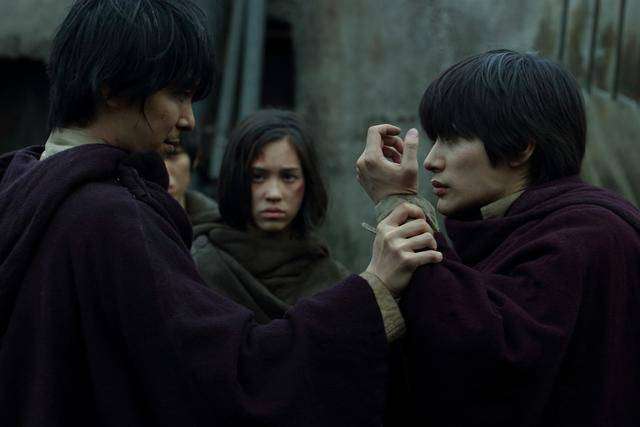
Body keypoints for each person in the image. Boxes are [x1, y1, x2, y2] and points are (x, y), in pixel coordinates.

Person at [0, 1, 443, 426]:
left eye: (288, 176)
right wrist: (372, 291)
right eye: (176, 94)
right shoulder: (108, 218)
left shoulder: (23, 189)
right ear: (112, 88)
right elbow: (230, 377)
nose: (189, 120)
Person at [356, 50, 640, 426]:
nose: (431, 160)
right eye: (435, 139)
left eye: (452, 139)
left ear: (521, 147)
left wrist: (398, 203)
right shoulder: (516, 228)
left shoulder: (587, 236)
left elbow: (489, 364)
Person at [189, 109, 350, 323]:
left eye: (288, 177)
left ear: (307, 183)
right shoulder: (198, 266)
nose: (273, 194)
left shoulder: (331, 280)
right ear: (237, 179)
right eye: (258, 176)